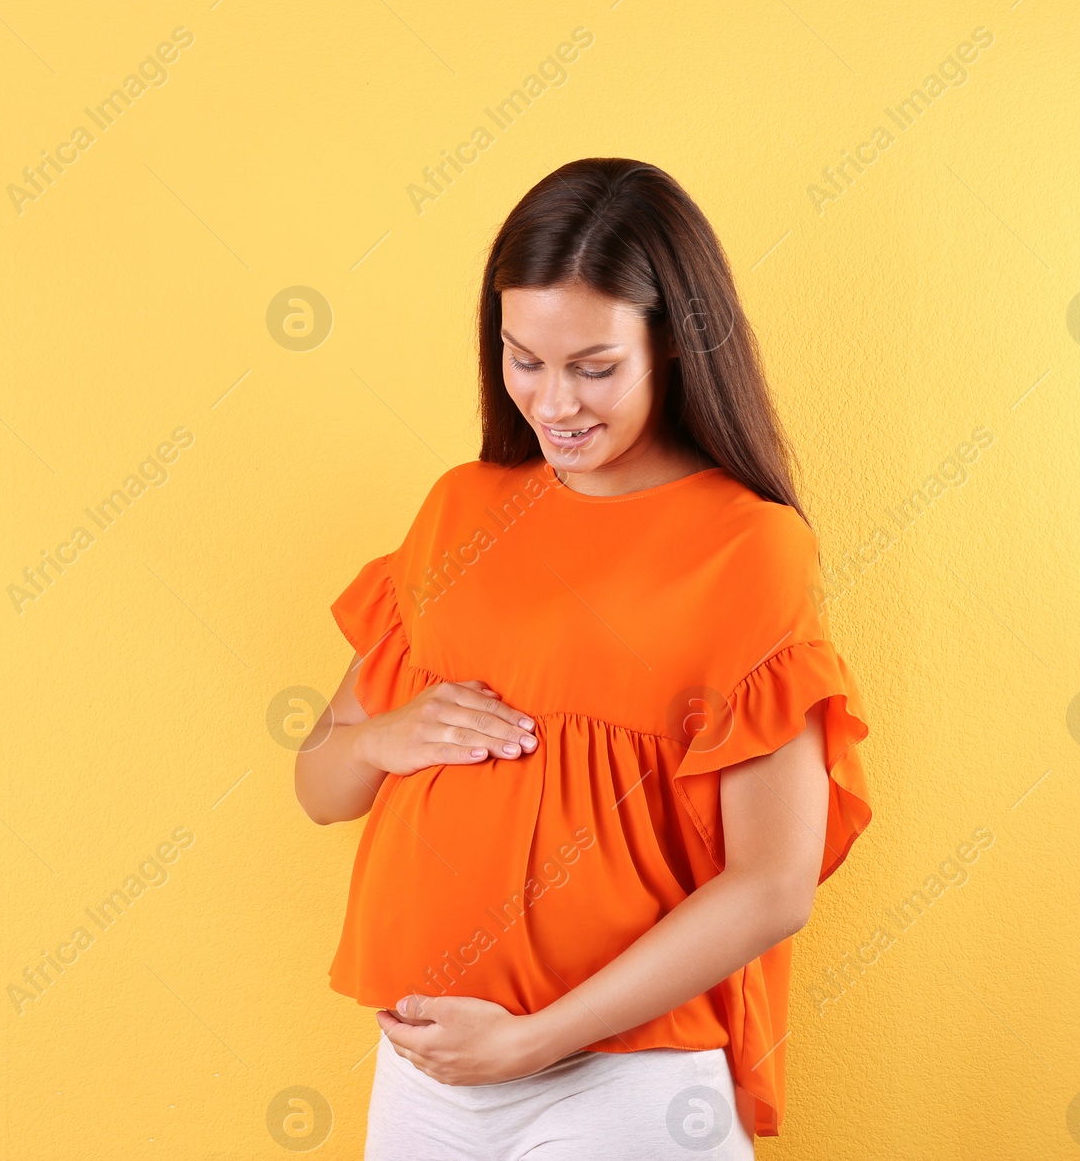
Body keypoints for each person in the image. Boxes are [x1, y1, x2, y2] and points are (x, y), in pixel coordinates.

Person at [294, 157, 874, 1159]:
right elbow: (319, 784)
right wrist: (384, 736)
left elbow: (773, 883)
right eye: (524, 358)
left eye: (593, 367)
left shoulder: (749, 547)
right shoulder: (460, 510)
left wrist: (530, 1041)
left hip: (625, 1086)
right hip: (429, 1074)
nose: (552, 401)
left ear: (677, 347)